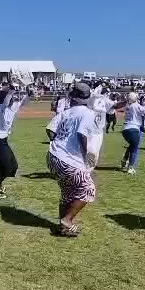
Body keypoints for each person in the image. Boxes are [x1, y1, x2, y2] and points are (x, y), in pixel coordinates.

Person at [47, 83, 103, 237]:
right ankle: (66, 221)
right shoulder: (88, 114)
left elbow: (50, 130)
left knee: (68, 191)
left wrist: (59, 142)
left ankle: (62, 226)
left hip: (53, 156)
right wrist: (86, 156)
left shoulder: (65, 112)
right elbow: (82, 134)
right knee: (88, 189)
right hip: (68, 159)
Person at [0, 85, 30, 199]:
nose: (13, 99)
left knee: (13, 166)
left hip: (3, 142)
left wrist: (29, 93)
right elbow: (7, 98)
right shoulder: (0, 108)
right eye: (11, 97)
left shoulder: (11, 108)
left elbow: (23, 102)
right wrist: (12, 89)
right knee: (6, 168)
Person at [120, 92, 145, 174]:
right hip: (133, 129)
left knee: (132, 145)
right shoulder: (136, 105)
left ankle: (124, 160)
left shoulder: (128, 105)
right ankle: (130, 168)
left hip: (125, 129)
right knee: (134, 149)